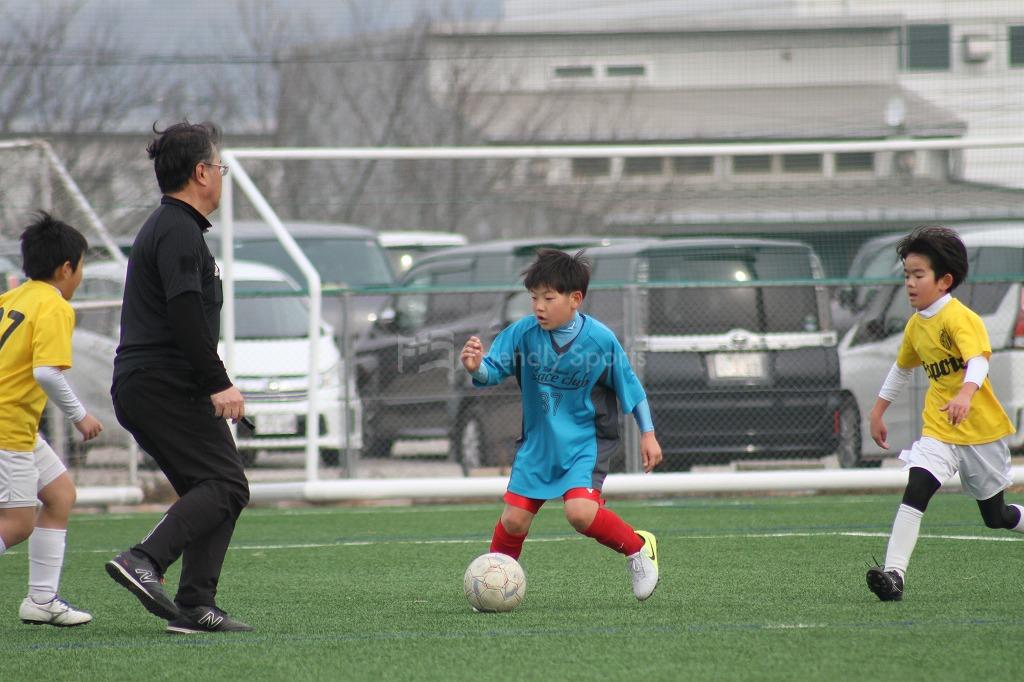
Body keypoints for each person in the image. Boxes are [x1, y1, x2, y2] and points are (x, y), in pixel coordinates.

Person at [105, 120, 252, 633]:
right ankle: (144, 559)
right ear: (201, 173)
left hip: (160, 382)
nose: (222, 176)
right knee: (225, 482)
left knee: (217, 488)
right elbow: (185, 312)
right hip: (161, 381)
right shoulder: (177, 229)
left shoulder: (176, 228)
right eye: (219, 166)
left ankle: (195, 606)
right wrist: (218, 382)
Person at [460, 249, 664, 601]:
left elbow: (631, 388)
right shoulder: (523, 333)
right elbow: (493, 370)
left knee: (580, 513)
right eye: (534, 298)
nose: (538, 306)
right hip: (538, 445)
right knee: (514, 521)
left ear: (575, 299)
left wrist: (648, 433)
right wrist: (477, 367)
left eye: (548, 298)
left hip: (585, 443)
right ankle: (493, 590)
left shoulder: (600, 340)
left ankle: (638, 548)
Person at [866, 225, 1024, 602]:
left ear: (944, 280)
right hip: (940, 429)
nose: (909, 283)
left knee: (996, 517)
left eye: (918, 275)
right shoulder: (915, 326)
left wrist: (966, 394)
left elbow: (978, 361)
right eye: (906, 275)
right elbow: (902, 369)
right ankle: (894, 575)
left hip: (980, 432)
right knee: (918, 487)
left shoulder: (960, 318)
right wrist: (877, 411)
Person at [0, 212, 103, 626]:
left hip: (19, 425)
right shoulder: (55, 305)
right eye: (81, 268)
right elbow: (46, 372)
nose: (80, 277)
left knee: (60, 495)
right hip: (7, 425)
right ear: (66, 268)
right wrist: (80, 416)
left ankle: (41, 600)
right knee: (17, 523)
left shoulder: (12, 298)